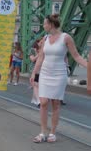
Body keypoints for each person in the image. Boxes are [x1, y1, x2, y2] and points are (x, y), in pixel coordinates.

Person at [30, 14, 88, 143]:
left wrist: (88, 66)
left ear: (51, 24)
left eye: (45, 23)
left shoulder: (66, 37)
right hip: (45, 74)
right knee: (43, 102)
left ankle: (52, 133)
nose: (43, 26)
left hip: (59, 75)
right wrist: (34, 73)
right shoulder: (45, 38)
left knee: (55, 104)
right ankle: (42, 132)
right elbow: (40, 57)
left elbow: (77, 56)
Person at [30, 39, 42, 107]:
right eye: (39, 42)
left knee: (39, 85)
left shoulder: (44, 50)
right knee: (36, 85)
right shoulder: (32, 50)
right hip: (35, 70)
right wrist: (39, 54)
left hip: (43, 70)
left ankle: (38, 99)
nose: (40, 44)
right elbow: (33, 59)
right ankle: (38, 101)